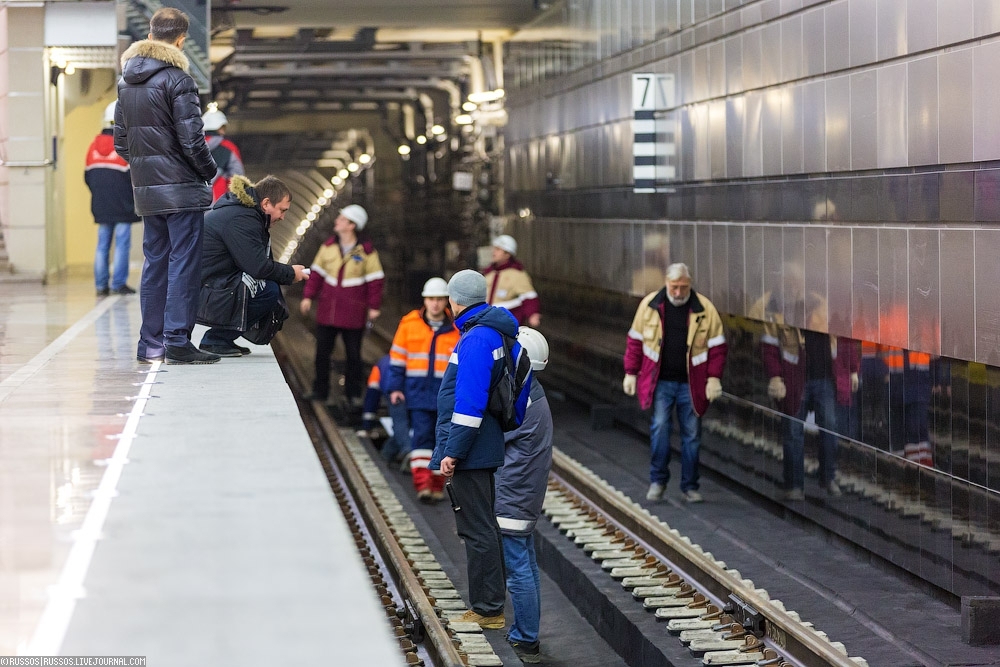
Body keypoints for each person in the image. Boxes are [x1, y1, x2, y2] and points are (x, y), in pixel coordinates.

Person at [115, 7, 220, 365]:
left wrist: (147, 168)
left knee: (155, 263)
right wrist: (209, 171)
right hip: (182, 190)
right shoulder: (178, 80)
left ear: (149, 33)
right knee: (184, 263)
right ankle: (177, 338)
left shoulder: (125, 81)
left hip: (147, 192)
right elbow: (192, 142)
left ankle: (150, 343)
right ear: (180, 39)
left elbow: (121, 142)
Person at [430, 269, 531, 631]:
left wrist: (452, 452)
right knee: (483, 527)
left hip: (472, 450)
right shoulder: (491, 332)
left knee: (477, 530)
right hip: (483, 446)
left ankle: (488, 609)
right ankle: (490, 605)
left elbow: (468, 405)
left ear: (455, 301)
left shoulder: (475, 340)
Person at [622, 263, 727, 503]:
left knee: (691, 435)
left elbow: (718, 347)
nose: (679, 293)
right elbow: (635, 341)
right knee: (660, 429)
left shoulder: (704, 309)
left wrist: (713, 378)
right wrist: (631, 372)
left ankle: (689, 486)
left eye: (683, 287)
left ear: (690, 285)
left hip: (691, 385)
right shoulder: (649, 306)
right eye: (674, 287)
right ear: (666, 284)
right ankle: (658, 481)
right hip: (661, 382)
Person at [752, 287, 857, 499]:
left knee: (829, 430)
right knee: (792, 433)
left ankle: (828, 478)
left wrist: (852, 369)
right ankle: (794, 485)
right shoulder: (777, 313)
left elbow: (845, 339)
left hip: (824, 379)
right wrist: (775, 377)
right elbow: (769, 349)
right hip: (794, 382)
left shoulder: (824, 308)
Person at [197, 175, 306, 356]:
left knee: (268, 287)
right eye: (282, 210)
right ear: (265, 204)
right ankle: (216, 340)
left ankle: (222, 338)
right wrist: (290, 273)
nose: (283, 217)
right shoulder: (243, 220)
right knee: (268, 290)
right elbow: (258, 267)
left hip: (210, 284)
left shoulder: (245, 214)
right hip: (204, 289)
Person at [495, 326, 552, 664]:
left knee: (518, 569)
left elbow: (497, 437)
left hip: (513, 495)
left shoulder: (525, 401)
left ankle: (526, 638)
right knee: (526, 565)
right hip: (523, 494)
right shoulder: (535, 394)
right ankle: (526, 634)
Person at [300, 204, 384, 408]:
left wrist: (374, 307)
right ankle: (320, 390)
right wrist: (307, 296)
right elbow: (316, 274)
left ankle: (353, 394)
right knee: (322, 353)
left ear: (352, 225)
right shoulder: (327, 247)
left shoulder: (366, 252)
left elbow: (375, 280)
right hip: (328, 311)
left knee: (353, 355)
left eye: (342, 219)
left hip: (353, 312)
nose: (337, 221)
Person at [387, 277, 461, 502]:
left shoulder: (457, 330)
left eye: (439, 299)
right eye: (431, 299)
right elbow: (397, 360)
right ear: (424, 300)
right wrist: (395, 388)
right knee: (421, 438)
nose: (435, 304)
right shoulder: (409, 325)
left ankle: (437, 487)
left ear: (446, 302)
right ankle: (422, 485)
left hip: (445, 397)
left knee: (443, 442)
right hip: (418, 393)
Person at [85, 100, 139, 297]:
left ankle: (101, 286)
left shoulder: (92, 147)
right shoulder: (124, 147)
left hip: (101, 205)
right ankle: (119, 284)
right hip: (123, 205)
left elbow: (88, 178)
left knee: (102, 245)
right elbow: (134, 178)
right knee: (122, 244)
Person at [484, 234, 541, 327]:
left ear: (507, 254)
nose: (493, 252)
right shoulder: (489, 273)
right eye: (494, 249)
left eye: (498, 250)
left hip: (507, 326)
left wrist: (533, 315)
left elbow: (530, 298)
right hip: (487, 323)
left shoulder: (518, 275)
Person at [202, 106, 245, 203]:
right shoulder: (228, 147)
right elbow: (238, 180)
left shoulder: (190, 146)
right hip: (218, 206)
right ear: (221, 128)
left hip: (193, 206)